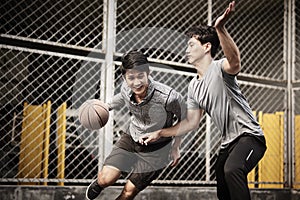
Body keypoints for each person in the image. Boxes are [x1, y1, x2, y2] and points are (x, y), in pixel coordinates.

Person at [139, 2, 266, 200]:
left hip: (250, 137)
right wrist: (164, 136)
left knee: (233, 170)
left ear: (207, 47)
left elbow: (235, 61)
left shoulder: (219, 68)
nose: (186, 50)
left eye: (191, 45)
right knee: (223, 186)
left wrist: (220, 28)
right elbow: (191, 122)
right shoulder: (193, 86)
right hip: (228, 143)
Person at [86, 50, 186, 200]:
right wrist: (106, 106)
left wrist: (176, 146)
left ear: (148, 72)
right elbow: (122, 97)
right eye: (131, 77)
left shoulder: (168, 97)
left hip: (156, 150)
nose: (137, 82)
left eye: (141, 76)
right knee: (105, 179)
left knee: (128, 192)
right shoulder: (126, 88)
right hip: (132, 137)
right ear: (124, 77)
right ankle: (99, 183)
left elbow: (185, 119)